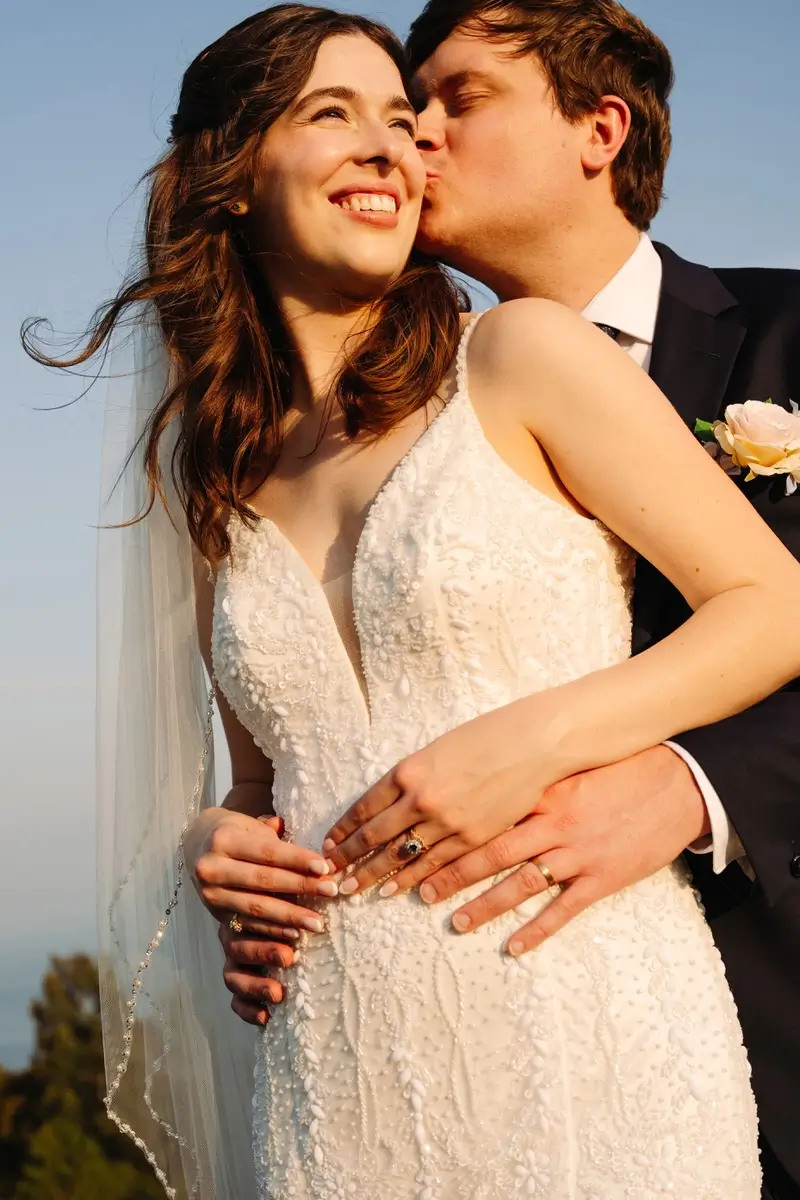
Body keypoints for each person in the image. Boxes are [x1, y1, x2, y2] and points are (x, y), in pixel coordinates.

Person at [28, 4, 800, 1198]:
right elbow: (261, 773)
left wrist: (547, 741)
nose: (404, 143)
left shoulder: (520, 356)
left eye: (415, 112)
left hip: (584, 1020)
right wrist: (218, 841)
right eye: (338, 114)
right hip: (336, 1068)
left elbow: (772, 604)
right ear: (228, 176)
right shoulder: (212, 473)